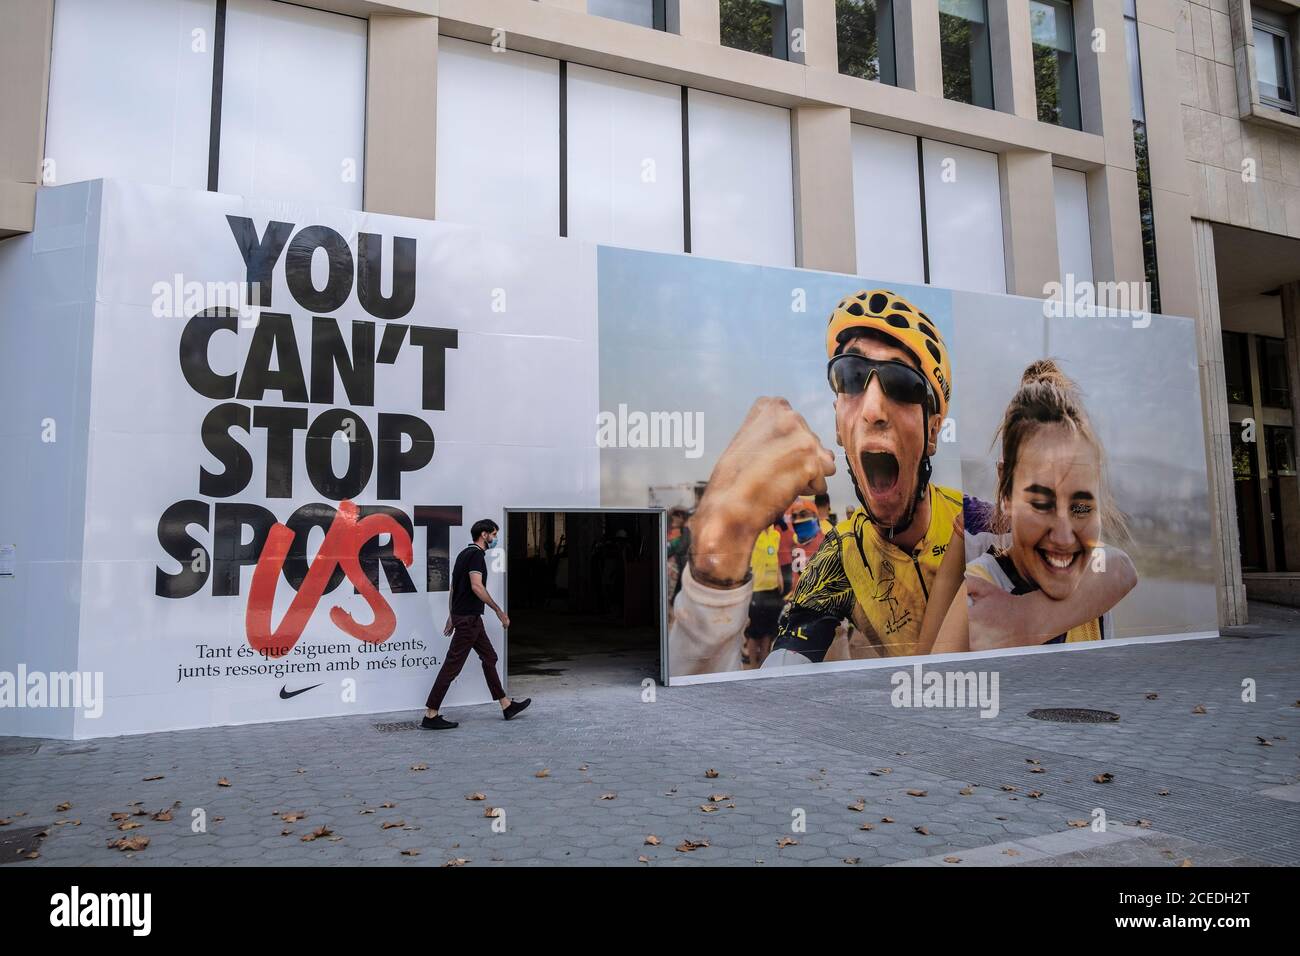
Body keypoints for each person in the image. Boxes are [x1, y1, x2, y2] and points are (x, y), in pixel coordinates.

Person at [668, 288, 960, 673]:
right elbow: (778, 682)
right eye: (851, 377)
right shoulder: (841, 557)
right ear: (839, 427)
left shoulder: (973, 526)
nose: (873, 409)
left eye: (903, 384)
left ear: (933, 432)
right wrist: (716, 562)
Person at [928, 360, 1136, 651]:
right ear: (1006, 489)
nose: (1064, 537)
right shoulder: (982, 591)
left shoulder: (1094, 593)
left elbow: (1123, 568)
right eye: (1040, 503)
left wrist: (1026, 621)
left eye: (1080, 507)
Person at [422, 519, 530, 729]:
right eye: (494, 534)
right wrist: (499, 611)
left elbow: (453, 588)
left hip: (469, 618)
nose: (495, 539)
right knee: (451, 666)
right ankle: (431, 715)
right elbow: (476, 587)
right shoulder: (476, 556)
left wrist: (452, 615)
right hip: (469, 619)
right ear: (484, 534)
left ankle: (506, 705)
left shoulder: (463, 554)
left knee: (490, 657)